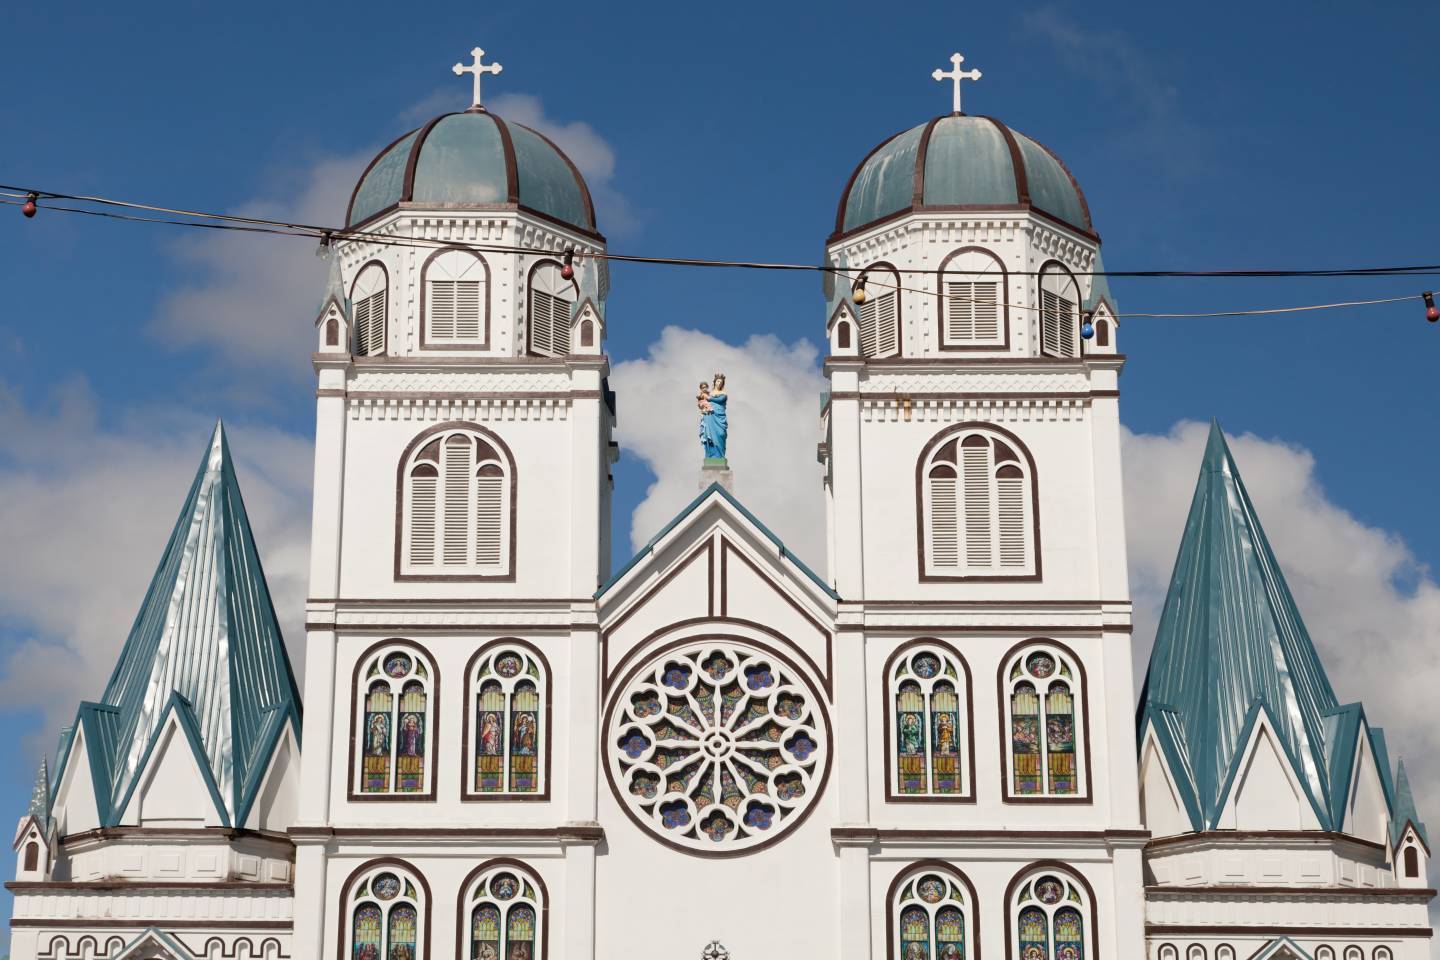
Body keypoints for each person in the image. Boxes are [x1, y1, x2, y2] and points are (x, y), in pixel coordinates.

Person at [699, 373, 728, 460]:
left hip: (719, 416)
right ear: (715, 382)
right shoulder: (709, 393)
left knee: (721, 434)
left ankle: (720, 456)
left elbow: (720, 399)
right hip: (710, 415)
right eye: (718, 381)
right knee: (709, 435)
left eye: (721, 382)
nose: (719, 383)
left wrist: (709, 398)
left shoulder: (723, 393)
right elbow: (701, 401)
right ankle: (711, 456)